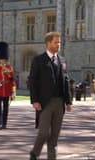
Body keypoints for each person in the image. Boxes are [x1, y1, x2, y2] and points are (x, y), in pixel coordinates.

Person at [29, 32, 72, 160]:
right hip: (44, 102)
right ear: (48, 43)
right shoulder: (38, 60)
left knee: (54, 136)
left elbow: (66, 81)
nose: (58, 44)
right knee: (43, 133)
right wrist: (35, 100)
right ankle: (34, 153)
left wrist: (68, 101)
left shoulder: (62, 60)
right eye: (56, 42)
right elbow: (32, 81)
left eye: (59, 42)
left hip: (59, 103)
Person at [0, 41, 16, 130]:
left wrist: (13, 92)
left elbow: (12, 81)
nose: (3, 60)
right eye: (1, 59)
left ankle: (4, 123)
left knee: (6, 109)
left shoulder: (9, 68)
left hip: (7, 90)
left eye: (4, 59)